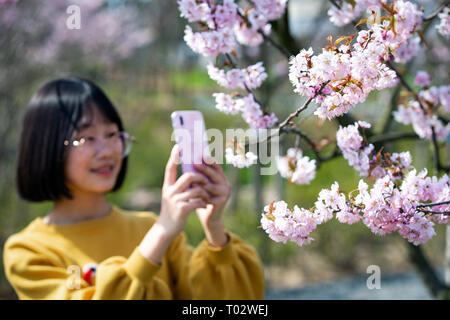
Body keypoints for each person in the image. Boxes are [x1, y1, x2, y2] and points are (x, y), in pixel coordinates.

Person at [3, 77, 264, 300]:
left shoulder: (147, 228)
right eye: (88, 138)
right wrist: (161, 232)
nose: (107, 151)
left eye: (113, 135)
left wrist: (214, 227)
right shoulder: (28, 250)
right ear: (47, 147)